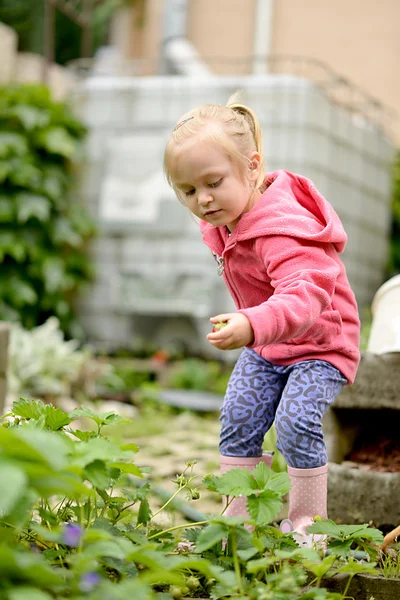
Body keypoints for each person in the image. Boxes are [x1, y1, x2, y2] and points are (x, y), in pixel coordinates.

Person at [163, 95, 360, 547]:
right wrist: (256, 329)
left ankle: (308, 525)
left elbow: (305, 292)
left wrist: (252, 324)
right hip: (270, 343)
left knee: (294, 421)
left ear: (252, 167)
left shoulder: (283, 227)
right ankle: (240, 522)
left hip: (321, 344)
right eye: (188, 191)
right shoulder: (226, 219)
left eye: (213, 182)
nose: (203, 199)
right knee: (239, 415)